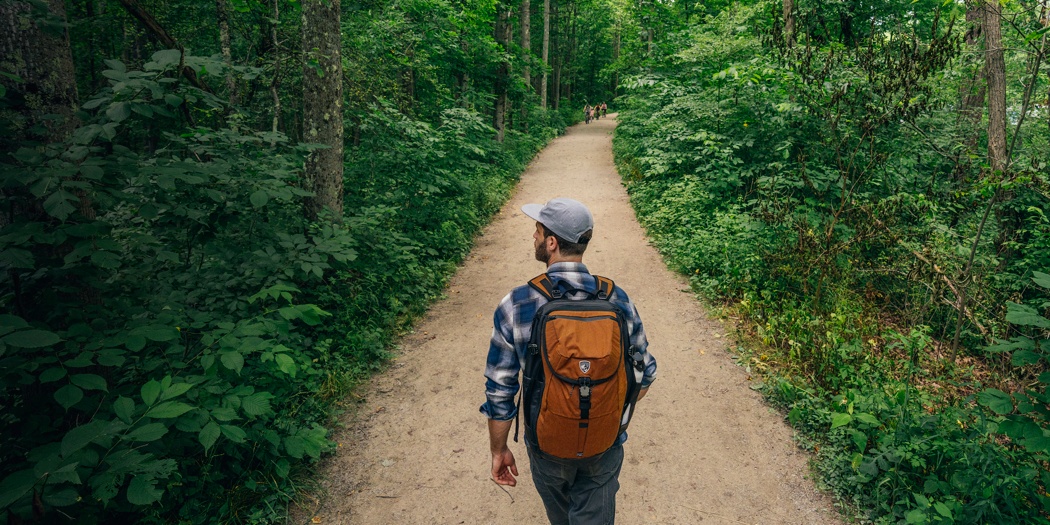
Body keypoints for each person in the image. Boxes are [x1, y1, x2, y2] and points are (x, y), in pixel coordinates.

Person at [481, 197, 658, 525]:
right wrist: (608, 414)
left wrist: (499, 449)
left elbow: (500, 392)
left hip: (548, 445)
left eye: (537, 231)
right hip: (604, 445)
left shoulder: (517, 304)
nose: (533, 237)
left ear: (551, 242)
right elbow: (645, 373)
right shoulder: (617, 299)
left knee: (561, 515)